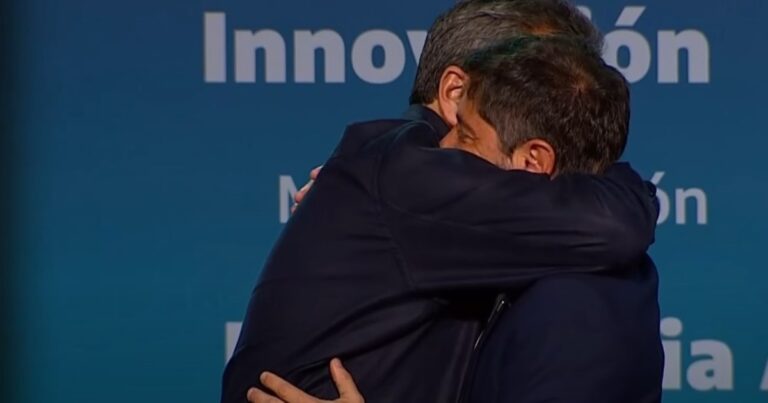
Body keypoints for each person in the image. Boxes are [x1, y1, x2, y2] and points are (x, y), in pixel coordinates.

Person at [223, 31, 656, 403]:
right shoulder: (415, 182)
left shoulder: (580, 303)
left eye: (465, 135)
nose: (444, 146)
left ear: (534, 161)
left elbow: (615, 225)